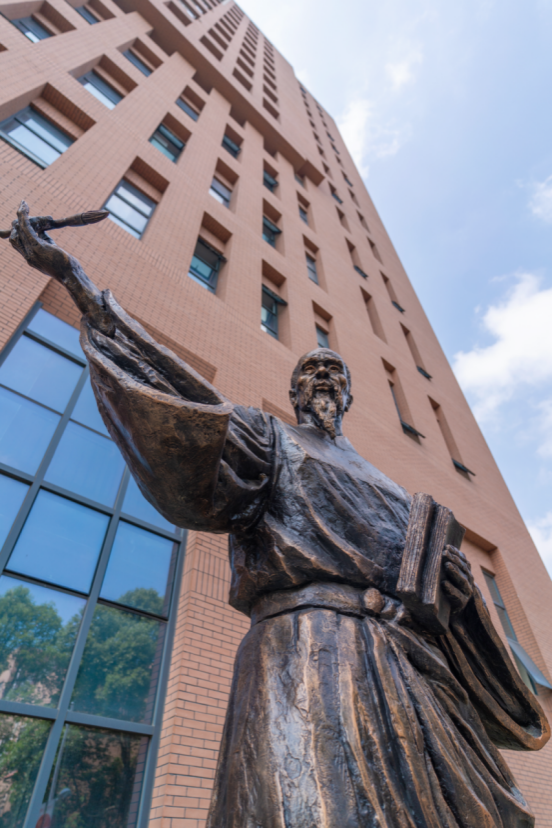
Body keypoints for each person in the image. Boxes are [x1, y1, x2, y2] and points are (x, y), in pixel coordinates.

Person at [7, 202, 550, 828]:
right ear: (294, 394)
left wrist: (458, 593)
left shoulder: (400, 494)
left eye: (333, 373)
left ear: (347, 395)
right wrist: (73, 279)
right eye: (310, 373)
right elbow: (182, 389)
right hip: (308, 647)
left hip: (405, 665)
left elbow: (436, 596)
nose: (322, 379)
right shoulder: (270, 440)